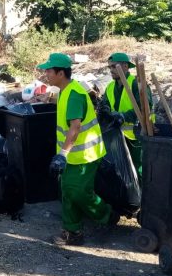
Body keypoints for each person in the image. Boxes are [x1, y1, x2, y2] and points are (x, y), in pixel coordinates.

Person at [37, 53, 116, 246]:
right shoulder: (65, 90)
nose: (46, 73)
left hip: (86, 154)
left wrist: (62, 155)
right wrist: (49, 101)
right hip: (73, 153)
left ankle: (107, 216)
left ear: (60, 73)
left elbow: (75, 127)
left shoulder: (74, 94)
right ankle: (73, 232)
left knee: (78, 191)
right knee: (67, 190)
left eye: (49, 70)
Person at [98, 52, 154, 178]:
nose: (111, 70)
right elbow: (106, 104)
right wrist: (104, 111)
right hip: (118, 135)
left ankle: (141, 196)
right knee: (121, 170)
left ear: (125, 66)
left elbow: (145, 108)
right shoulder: (110, 87)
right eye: (110, 67)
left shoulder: (136, 84)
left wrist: (124, 116)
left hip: (137, 134)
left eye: (114, 67)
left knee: (137, 167)